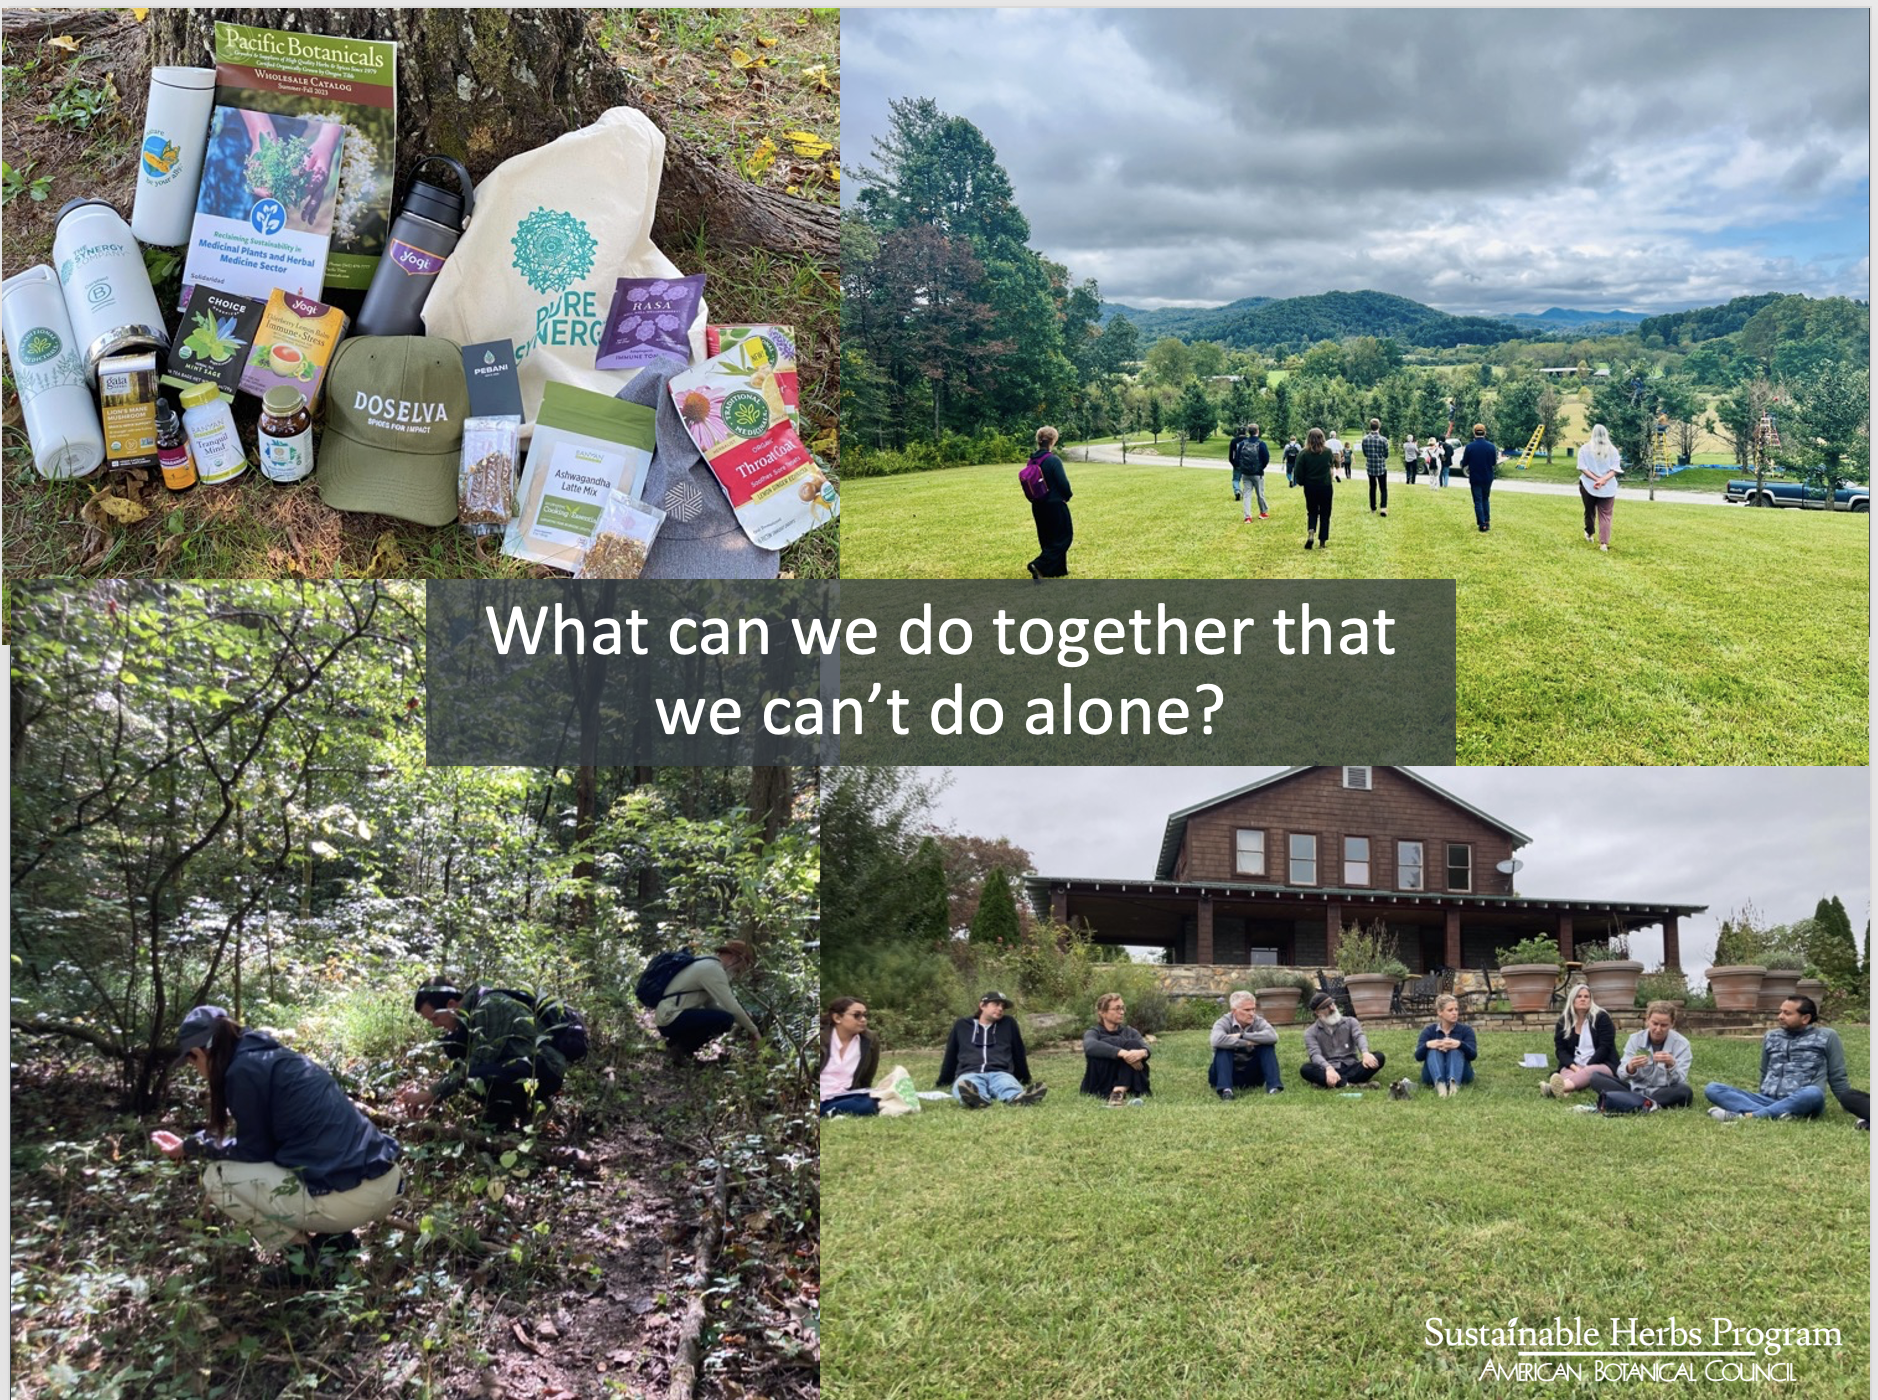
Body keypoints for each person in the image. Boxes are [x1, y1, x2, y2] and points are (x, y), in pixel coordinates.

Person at [152, 1005, 402, 1284]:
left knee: (218, 1177)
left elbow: (253, 1152)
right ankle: (336, 1243)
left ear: (198, 1053)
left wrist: (193, 1147)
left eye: (192, 1062)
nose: (196, 1070)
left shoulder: (242, 1072)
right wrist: (193, 1143)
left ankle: (307, 1266)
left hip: (351, 1200)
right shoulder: (269, 1055)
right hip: (386, 1182)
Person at [400, 984, 569, 1129]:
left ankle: (533, 1109)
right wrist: (433, 1096)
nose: (435, 1025)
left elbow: (479, 1062)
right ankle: (504, 1115)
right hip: (524, 1068)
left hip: (545, 1068)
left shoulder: (489, 1006)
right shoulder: (473, 1013)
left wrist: (432, 1093)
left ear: (451, 1004)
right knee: (468, 1075)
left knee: (472, 1077)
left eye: (435, 1018)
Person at [1705, 995, 1851, 1122]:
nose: (1780, 1016)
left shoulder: (1826, 1036)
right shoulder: (1771, 1036)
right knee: (1713, 1088)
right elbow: (1764, 1071)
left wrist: (1851, 1106)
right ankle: (1780, 1113)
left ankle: (1748, 1116)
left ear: (1805, 1018)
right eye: (1780, 1011)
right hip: (1767, 1099)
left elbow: (1837, 1076)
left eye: (1787, 1013)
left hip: (1804, 1101)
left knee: (1813, 1093)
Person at [638, 940, 763, 1065]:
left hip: (669, 1016)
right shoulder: (713, 970)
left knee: (724, 1018)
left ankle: (676, 1045)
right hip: (671, 1017)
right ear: (734, 958)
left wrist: (741, 1019)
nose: (738, 973)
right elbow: (731, 1006)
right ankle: (682, 1051)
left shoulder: (706, 963)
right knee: (725, 1019)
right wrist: (754, 1031)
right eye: (739, 969)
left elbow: (710, 1005)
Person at [938, 991, 1046, 1107]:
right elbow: (951, 1053)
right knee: (966, 1086)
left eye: (1003, 1007)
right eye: (996, 1004)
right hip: (970, 1072)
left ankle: (1018, 1098)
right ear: (982, 1005)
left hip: (1000, 1072)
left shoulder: (1008, 1024)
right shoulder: (962, 1025)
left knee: (1008, 1085)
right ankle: (977, 1099)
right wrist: (944, 1080)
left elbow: (1018, 1051)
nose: (1000, 1009)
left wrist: (1025, 1078)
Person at [1583, 1000, 1693, 1113]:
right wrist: (1630, 1068)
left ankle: (1632, 1102)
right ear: (1647, 1020)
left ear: (1672, 1023)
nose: (1658, 1029)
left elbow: (1681, 1080)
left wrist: (1671, 1065)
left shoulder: (1681, 1044)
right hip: (1634, 1089)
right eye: (1655, 1024)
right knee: (1595, 1077)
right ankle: (1644, 1103)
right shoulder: (1635, 1039)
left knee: (1685, 1091)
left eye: (1664, 1025)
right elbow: (1621, 1074)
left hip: (1663, 1091)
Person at [1540, 983, 1617, 1099]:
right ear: (1572, 1000)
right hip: (1574, 1064)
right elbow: (1561, 1050)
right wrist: (1574, 1067)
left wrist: (1586, 1067)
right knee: (1566, 1071)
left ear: (1591, 1000)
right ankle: (1565, 1091)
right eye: (1579, 996)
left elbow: (1605, 1047)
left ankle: (1554, 1088)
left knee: (1590, 1071)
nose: (1583, 999)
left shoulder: (1601, 1018)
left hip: (1601, 1064)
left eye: (1586, 997)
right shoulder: (1564, 1021)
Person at [1301, 991, 1386, 1087]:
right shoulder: (1310, 1032)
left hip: (1352, 1067)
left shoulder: (1351, 1022)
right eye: (1326, 1007)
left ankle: (1332, 1083)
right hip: (1329, 1070)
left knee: (1379, 1057)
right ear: (1317, 1012)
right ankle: (1352, 1084)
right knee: (1306, 1069)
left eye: (1332, 1003)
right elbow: (1315, 1054)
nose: (1332, 1008)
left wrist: (1365, 1052)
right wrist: (1328, 1068)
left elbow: (1359, 1036)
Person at [1208, 990, 1283, 1099]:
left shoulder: (1258, 1021)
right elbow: (1216, 1040)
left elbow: (1273, 1036)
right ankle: (1226, 1091)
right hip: (1225, 1072)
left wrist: (1242, 1035)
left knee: (1267, 1045)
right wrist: (1247, 1042)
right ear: (1234, 1011)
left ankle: (1274, 1088)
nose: (1252, 1013)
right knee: (1223, 1048)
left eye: (1253, 1009)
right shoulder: (1223, 1022)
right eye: (1247, 1010)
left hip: (1251, 1074)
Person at [1080, 992, 1153, 1099]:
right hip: (1101, 1084)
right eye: (1117, 1009)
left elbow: (1145, 1047)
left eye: (1123, 1008)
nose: (1122, 1012)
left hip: (1126, 1083)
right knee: (1111, 1046)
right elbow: (1090, 1046)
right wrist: (1123, 1053)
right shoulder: (1094, 1032)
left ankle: (1119, 1090)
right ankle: (1118, 1092)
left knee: (1133, 1044)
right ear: (1102, 1012)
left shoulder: (1130, 1032)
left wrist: (1143, 1052)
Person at [1026, 425, 1074, 579]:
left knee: (1047, 538)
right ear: (1053, 440)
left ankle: (1056, 570)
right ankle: (1038, 564)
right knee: (1064, 536)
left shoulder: (1031, 461)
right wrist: (1067, 496)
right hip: (1055, 504)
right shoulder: (1053, 460)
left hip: (1038, 505)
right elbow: (1063, 484)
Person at [819, 997, 879, 1118]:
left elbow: (868, 1077)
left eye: (864, 1015)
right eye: (856, 1015)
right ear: (837, 1018)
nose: (863, 1020)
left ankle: (830, 1111)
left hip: (848, 1095)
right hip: (821, 1094)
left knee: (871, 1102)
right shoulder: (821, 1038)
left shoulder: (870, 1039)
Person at [1413, 993, 1477, 1097]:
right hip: (1431, 1076)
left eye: (1456, 1009)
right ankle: (1440, 1086)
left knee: (1455, 1049)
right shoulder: (1429, 1031)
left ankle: (1454, 1085)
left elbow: (1473, 1055)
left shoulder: (1466, 1030)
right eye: (1450, 1010)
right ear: (1440, 1012)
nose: (1455, 1013)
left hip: (1462, 1074)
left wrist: (1459, 1044)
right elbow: (1418, 1056)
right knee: (1433, 1050)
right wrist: (1428, 1045)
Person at [1577, 423, 1623, 551]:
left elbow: (1582, 468)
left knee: (1589, 510)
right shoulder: (1613, 450)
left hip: (1588, 485)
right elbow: (1615, 469)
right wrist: (1603, 480)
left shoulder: (1584, 449)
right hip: (1608, 487)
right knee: (1606, 515)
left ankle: (1589, 533)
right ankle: (1604, 543)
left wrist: (1596, 479)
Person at [1294, 427, 1337, 551]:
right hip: (1325, 486)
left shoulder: (1303, 453)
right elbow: (1331, 465)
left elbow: (1298, 471)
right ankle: (1322, 541)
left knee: (1312, 511)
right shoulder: (1328, 452)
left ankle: (1311, 531)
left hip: (1310, 486)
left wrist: (1302, 482)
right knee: (1325, 513)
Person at [1460, 423, 1498, 531]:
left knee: (1478, 500)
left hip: (1475, 477)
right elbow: (1493, 462)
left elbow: (1464, 463)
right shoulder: (1491, 446)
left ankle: (1482, 524)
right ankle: (1487, 521)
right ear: (1485, 432)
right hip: (1487, 476)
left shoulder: (1470, 447)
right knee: (1486, 499)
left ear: (1474, 432)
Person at [1237, 423, 1271, 521]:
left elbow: (1238, 458)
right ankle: (1263, 512)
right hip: (1257, 473)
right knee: (1260, 493)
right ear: (1257, 431)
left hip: (1245, 473)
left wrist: (1242, 467)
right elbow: (1266, 458)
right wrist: (1261, 467)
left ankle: (1247, 516)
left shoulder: (1243, 444)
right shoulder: (1261, 444)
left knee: (1247, 494)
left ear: (1248, 432)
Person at [1361, 418, 1390, 517]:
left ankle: (1373, 508)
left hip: (1370, 467)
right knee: (1383, 488)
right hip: (1381, 466)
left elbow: (1365, 453)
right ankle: (1383, 507)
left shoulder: (1365, 439)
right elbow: (1386, 454)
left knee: (1372, 488)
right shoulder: (1383, 440)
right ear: (1379, 426)